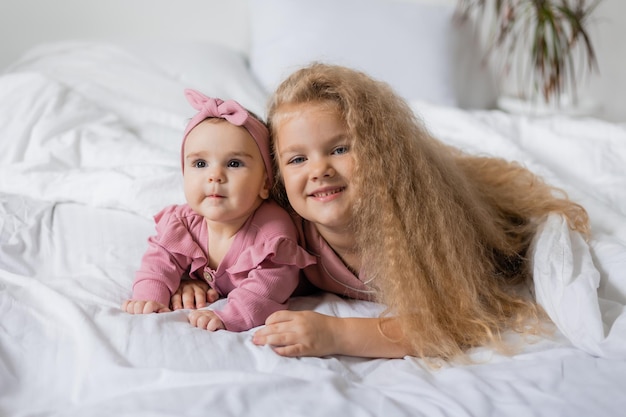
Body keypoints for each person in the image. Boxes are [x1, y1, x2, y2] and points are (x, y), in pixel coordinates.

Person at [174, 64, 589, 360]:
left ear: (380, 153)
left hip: (464, 217)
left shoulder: (415, 224)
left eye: (340, 149)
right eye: (297, 159)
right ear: (276, 176)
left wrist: (338, 333)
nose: (319, 169)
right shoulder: (283, 228)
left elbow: (452, 319)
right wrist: (195, 281)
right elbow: (222, 240)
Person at [122, 89, 315, 332]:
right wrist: (150, 296)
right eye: (200, 164)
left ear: (265, 183)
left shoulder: (272, 236)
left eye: (234, 163)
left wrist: (227, 317)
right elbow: (159, 261)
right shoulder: (183, 222)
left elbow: (264, 292)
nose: (215, 176)